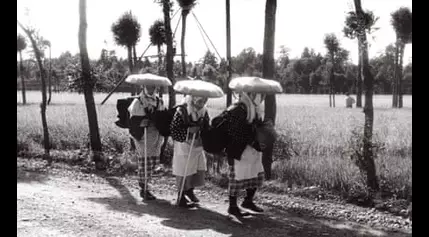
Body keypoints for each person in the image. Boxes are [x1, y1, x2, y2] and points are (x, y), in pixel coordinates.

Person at [224, 91, 267, 217]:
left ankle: (248, 201)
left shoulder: (255, 109)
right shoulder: (237, 109)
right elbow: (237, 132)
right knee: (236, 178)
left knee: (255, 175)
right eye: (260, 94)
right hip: (238, 151)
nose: (262, 97)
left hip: (252, 151)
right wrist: (254, 142)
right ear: (251, 94)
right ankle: (232, 206)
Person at [170, 95, 210, 208]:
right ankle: (180, 196)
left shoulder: (204, 111)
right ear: (193, 98)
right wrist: (188, 130)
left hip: (197, 145)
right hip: (184, 145)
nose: (203, 102)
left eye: (205, 100)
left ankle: (189, 190)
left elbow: (207, 127)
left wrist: (203, 134)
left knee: (196, 168)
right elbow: (174, 130)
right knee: (183, 169)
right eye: (200, 99)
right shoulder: (182, 110)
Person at [128, 85, 165, 201]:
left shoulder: (159, 101)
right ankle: (143, 188)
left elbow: (163, 117)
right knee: (145, 160)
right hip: (142, 135)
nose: (150, 89)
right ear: (143, 87)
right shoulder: (138, 102)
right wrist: (140, 122)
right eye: (148, 87)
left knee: (152, 161)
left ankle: (145, 184)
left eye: (153, 87)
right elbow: (132, 121)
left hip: (155, 135)